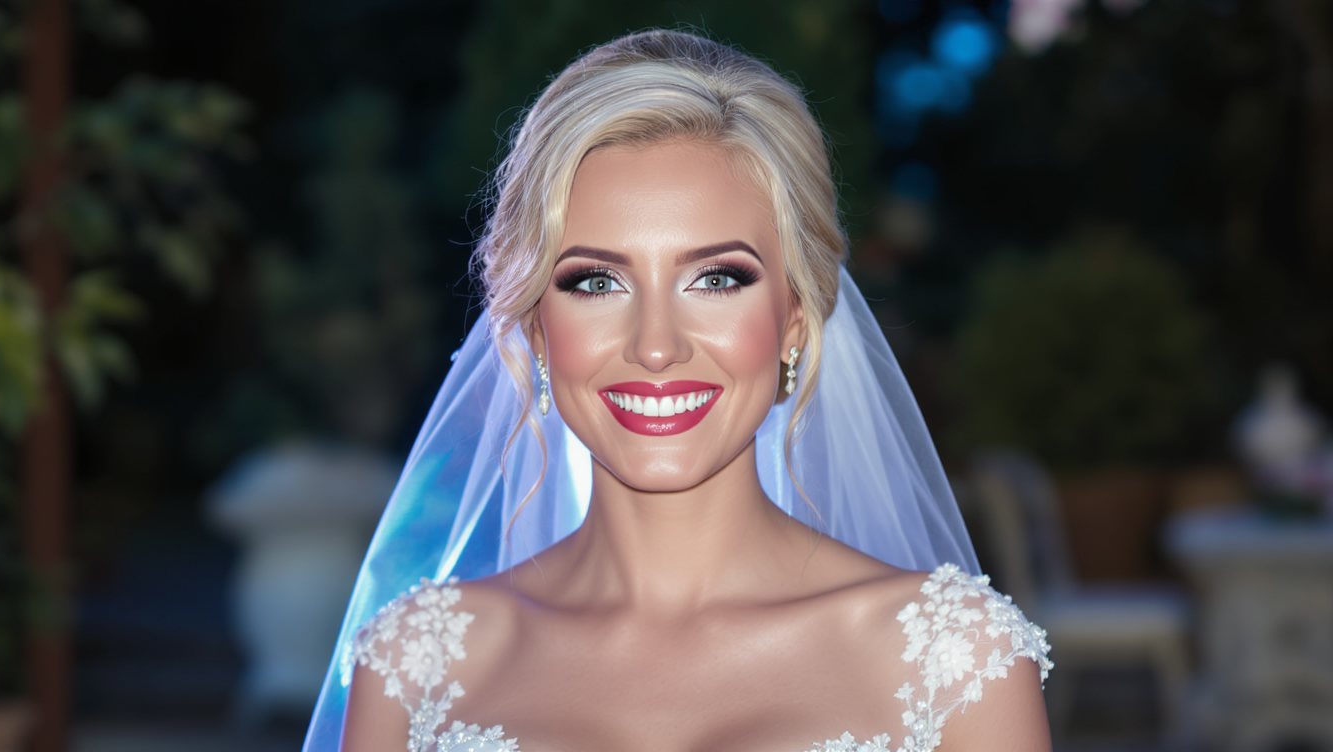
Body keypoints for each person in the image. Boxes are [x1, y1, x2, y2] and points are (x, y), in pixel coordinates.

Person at [305, 30, 1053, 752]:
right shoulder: (416, 669)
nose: (656, 345)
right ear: (534, 326)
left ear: (795, 317)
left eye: (716, 278)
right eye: (596, 282)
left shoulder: (955, 662)